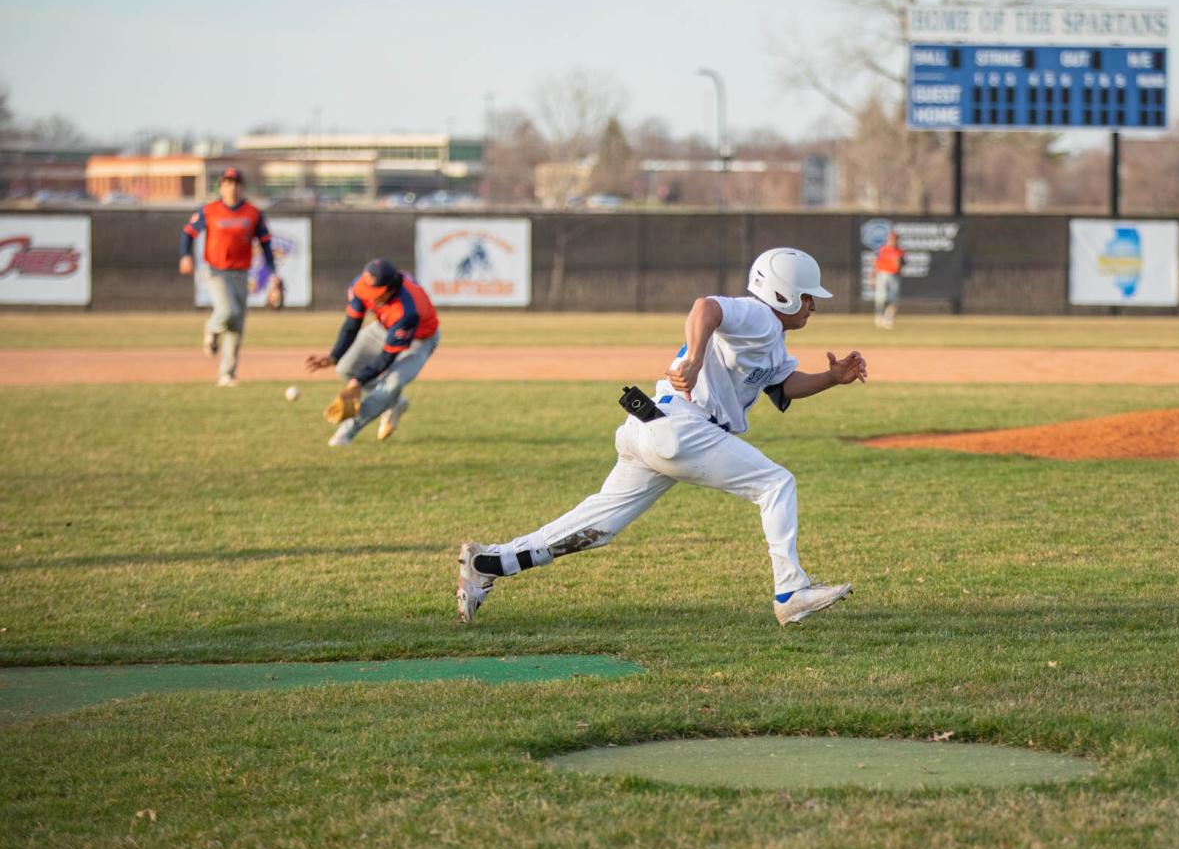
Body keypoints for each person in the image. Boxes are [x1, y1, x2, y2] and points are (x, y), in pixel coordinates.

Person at [456, 247, 867, 627]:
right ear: (781, 295)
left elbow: (783, 384)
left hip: (653, 426)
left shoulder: (771, 337)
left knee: (598, 527)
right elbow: (705, 308)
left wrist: (832, 378)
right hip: (682, 428)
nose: (813, 304)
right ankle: (791, 591)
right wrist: (694, 358)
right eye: (807, 296)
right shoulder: (758, 316)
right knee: (776, 483)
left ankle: (490, 563)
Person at [304, 259, 440, 447]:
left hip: (420, 339)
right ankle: (394, 402)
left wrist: (358, 383)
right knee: (345, 368)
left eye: (377, 293)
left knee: (391, 384)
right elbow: (351, 325)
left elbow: (386, 358)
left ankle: (347, 432)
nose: (371, 297)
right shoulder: (362, 285)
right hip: (382, 328)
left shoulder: (407, 309)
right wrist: (333, 356)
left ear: (391, 289)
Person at [179, 167, 282, 386]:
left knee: (237, 324)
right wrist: (185, 256)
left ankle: (227, 374)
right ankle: (211, 328)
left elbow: (265, 244)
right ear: (222, 187)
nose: (232, 187)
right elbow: (188, 233)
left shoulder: (253, 213)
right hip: (215, 270)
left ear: (241, 187)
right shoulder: (210, 210)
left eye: (235, 183)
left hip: (241, 272)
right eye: (227, 183)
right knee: (228, 311)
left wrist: (273, 274)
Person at [870, 231, 904, 329]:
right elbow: (875, 263)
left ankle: (888, 318)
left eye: (895, 239)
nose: (893, 241)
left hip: (894, 276)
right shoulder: (883, 250)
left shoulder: (900, 252)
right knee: (881, 297)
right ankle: (879, 317)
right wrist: (872, 277)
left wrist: (898, 264)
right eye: (891, 239)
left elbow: (901, 265)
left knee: (894, 299)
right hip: (883, 274)